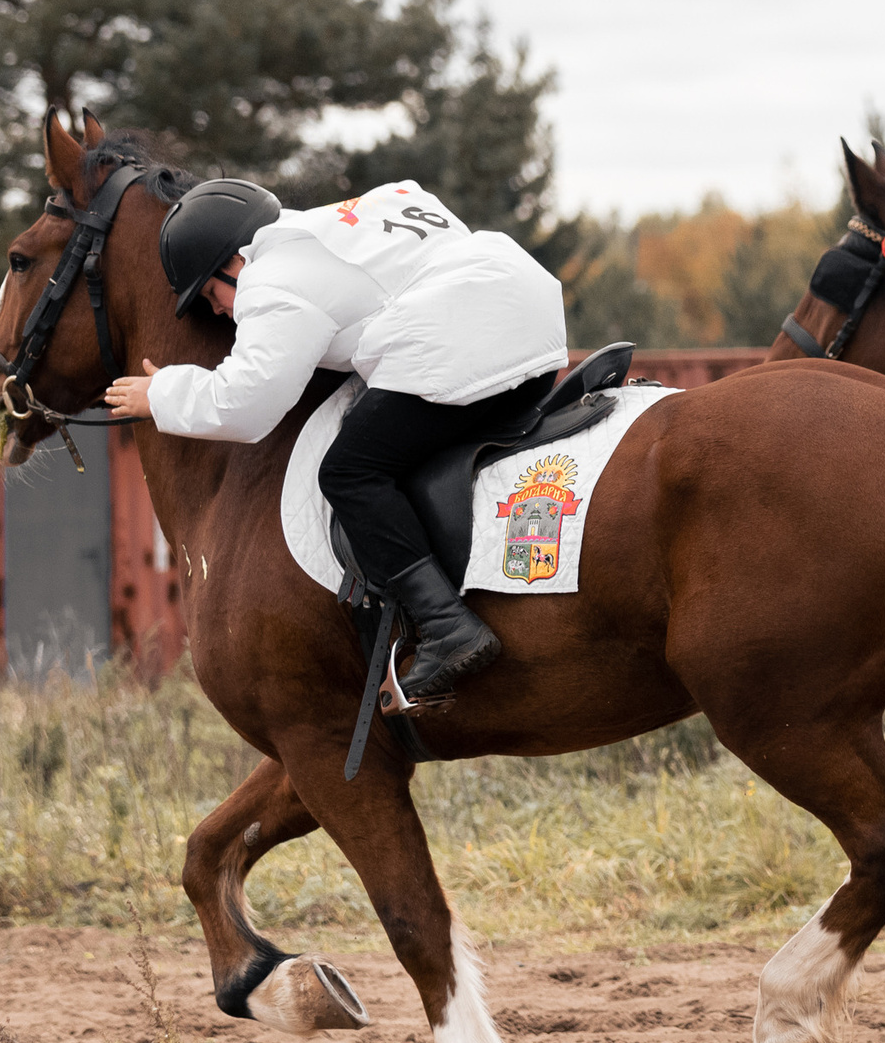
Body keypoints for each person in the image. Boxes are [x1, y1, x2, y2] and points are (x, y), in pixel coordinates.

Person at [104, 179, 568, 698]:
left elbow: (248, 403)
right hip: (537, 322)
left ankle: (447, 625)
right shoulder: (354, 215)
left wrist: (161, 393)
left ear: (234, 263)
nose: (217, 312)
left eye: (212, 294)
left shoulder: (271, 280)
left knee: (348, 469)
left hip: (470, 337)